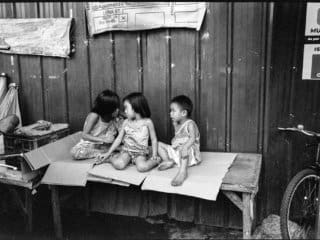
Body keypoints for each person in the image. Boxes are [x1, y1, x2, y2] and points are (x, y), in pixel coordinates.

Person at [96, 92, 160, 172]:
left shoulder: (147, 122)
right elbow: (119, 139)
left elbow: (154, 140)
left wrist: (154, 155)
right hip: (127, 151)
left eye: (126, 108)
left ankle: (157, 160)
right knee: (119, 165)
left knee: (142, 167)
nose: (125, 111)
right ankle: (110, 158)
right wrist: (108, 153)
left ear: (135, 108)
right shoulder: (126, 122)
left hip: (141, 152)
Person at [157, 95, 201, 186]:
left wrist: (185, 147)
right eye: (170, 111)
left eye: (173, 111)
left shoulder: (190, 124)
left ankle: (182, 172)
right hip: (177, 153)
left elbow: (192, 138)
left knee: (183, 148)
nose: (170, 114)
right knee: (158, 144)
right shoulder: (176, 123)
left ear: (184, 113)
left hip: (189, 154)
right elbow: (178, 138)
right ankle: (168, 160)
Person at [70, 89, 123, 160]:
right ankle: (105, 154)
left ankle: (106, 153)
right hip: (89, 145)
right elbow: (84, 135)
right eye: (114, 108)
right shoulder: (94, 116)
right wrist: (102, 140)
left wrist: (120, 119)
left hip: (105, 146)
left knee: (122, 149)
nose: (117, 110)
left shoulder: (114, 118)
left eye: (117, 107)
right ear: (107, 109)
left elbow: (121, 135)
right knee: (76, 152)